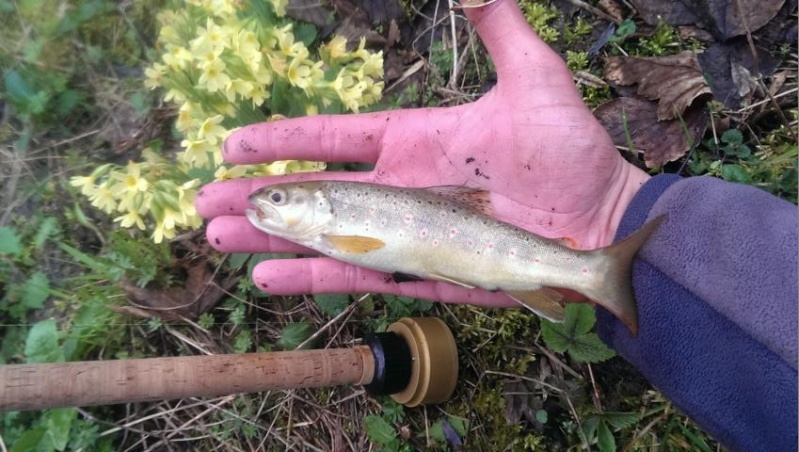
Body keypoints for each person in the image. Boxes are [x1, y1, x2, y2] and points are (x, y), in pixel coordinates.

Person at [195, 0, 798, 449]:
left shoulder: (336, 230)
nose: (266, 207)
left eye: (277, 199)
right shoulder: (329, 227)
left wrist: (614, 213)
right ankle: (595, 271)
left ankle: (594, 271)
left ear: (317, 203)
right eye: (275, 200)